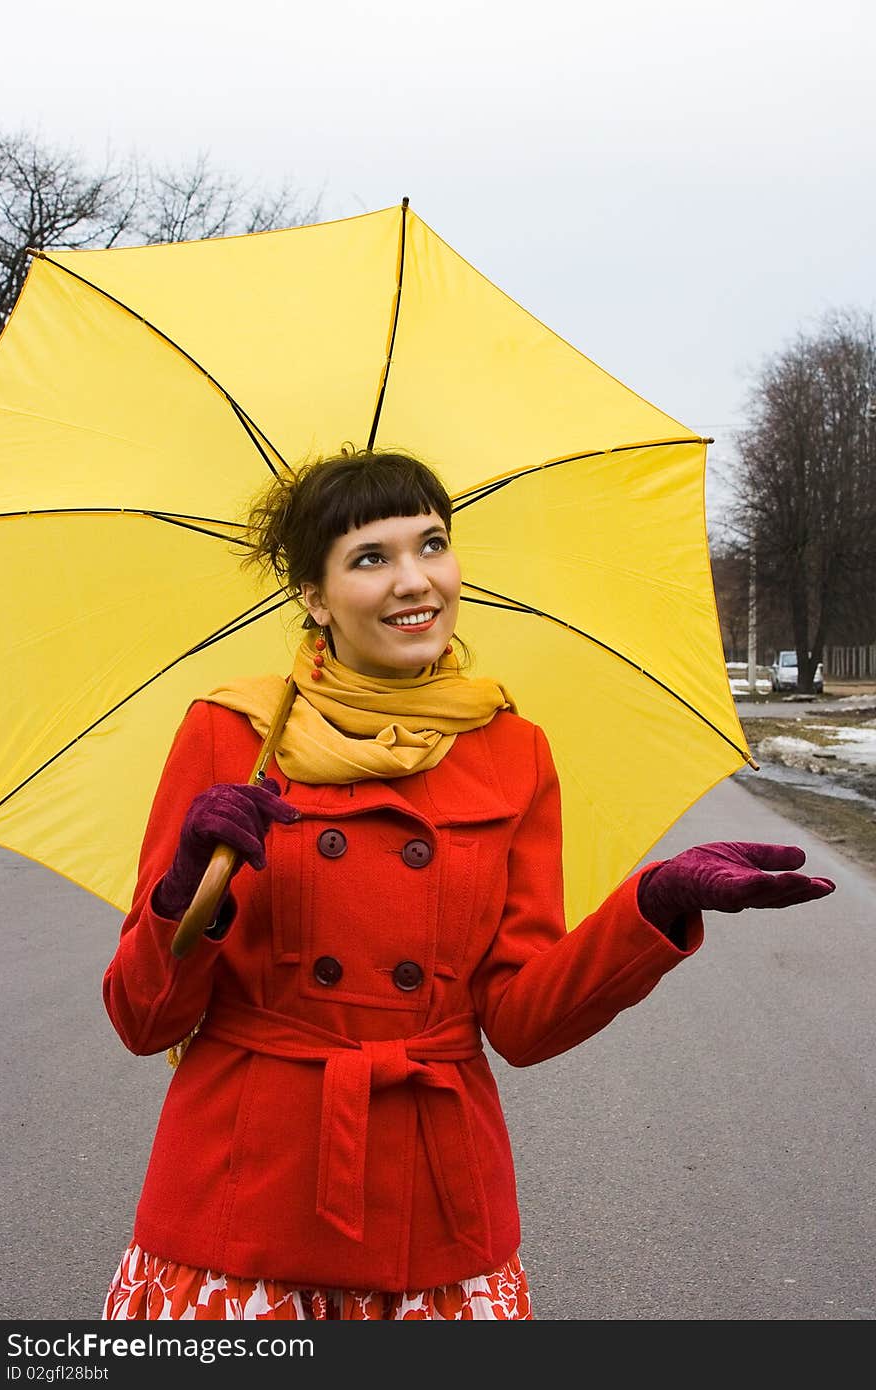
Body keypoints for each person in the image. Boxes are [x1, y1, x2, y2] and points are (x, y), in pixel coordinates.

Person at [100, 448, 835, 1321]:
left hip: (435, 1214)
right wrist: (186, 893)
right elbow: (145, 1020)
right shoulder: (232, 732)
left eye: (432, 545)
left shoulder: (513, 751)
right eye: (371, 557)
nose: (415, 581)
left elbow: (521, 1020)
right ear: (312, 595)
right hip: (240, 1211)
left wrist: (656, 904)